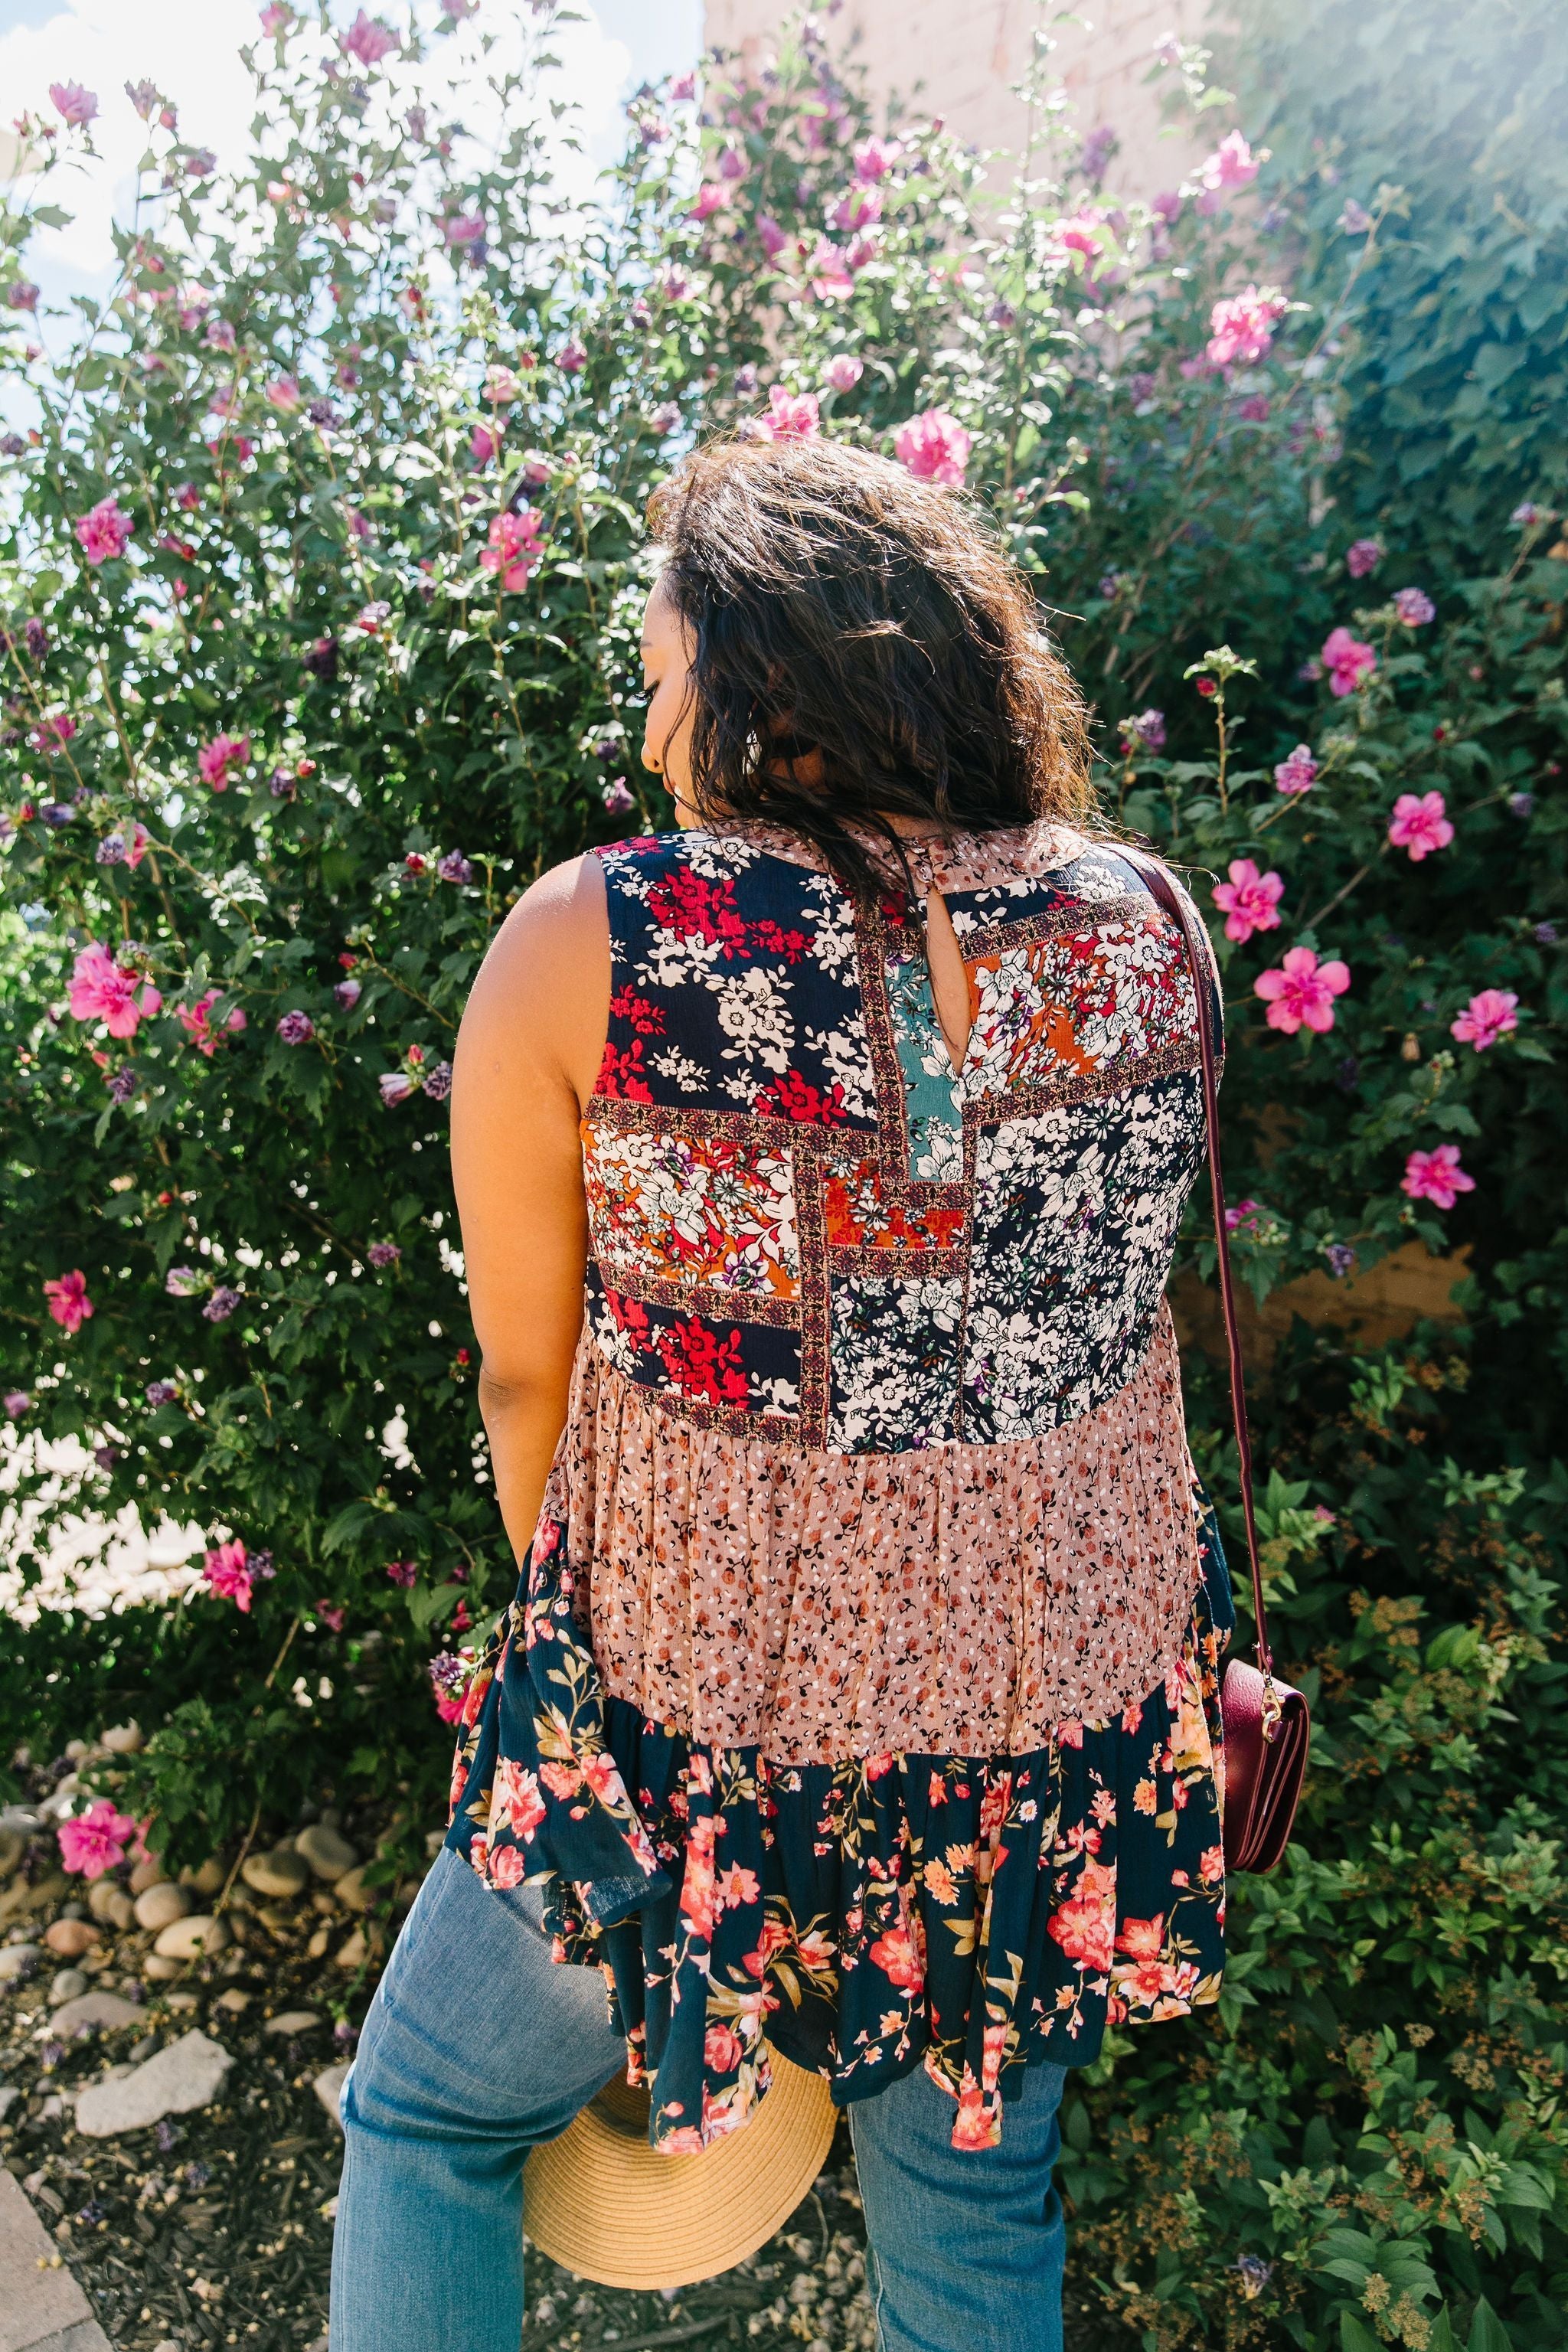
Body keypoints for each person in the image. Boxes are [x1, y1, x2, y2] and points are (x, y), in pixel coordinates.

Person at [329, 435, 1233, 2352]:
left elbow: (521, 1372)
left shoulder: (595, 940)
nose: (652, 722)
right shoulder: (1147, 917)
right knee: (979, 2218)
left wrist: (580, 1671)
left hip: (694, 1725)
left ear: (756, 680)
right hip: (1050, 1727)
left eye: (663, 671)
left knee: (422, 2118)